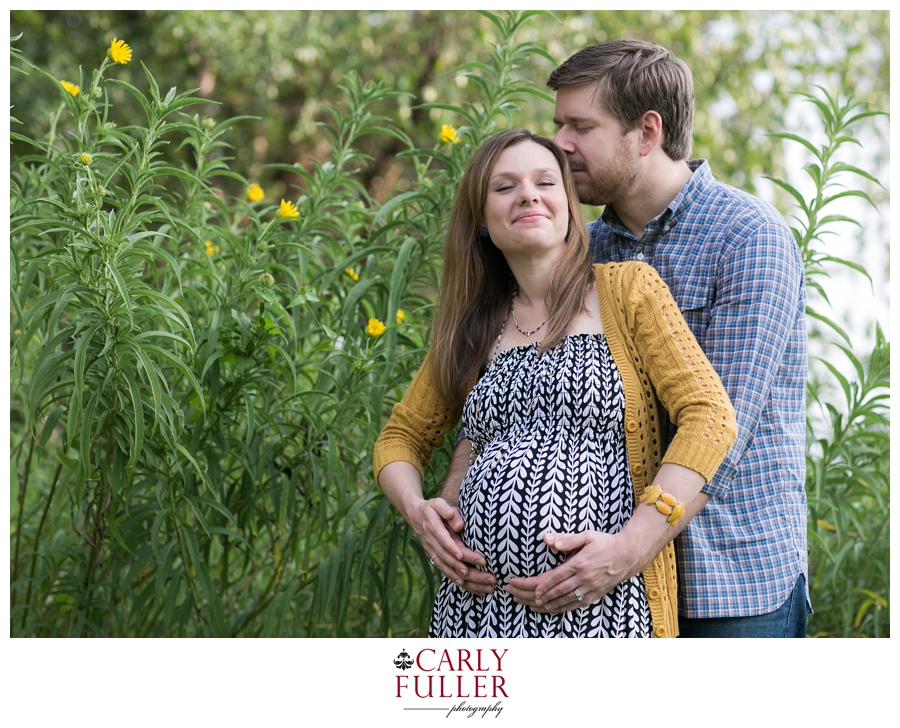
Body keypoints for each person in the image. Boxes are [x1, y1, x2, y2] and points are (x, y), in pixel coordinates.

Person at [427, 40, 810, 638]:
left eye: (581, 126)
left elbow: (720, 430)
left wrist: (625, 553)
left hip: (726, 582)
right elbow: (505, 397)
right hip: (602, 596)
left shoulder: (746, 237)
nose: (561, 145)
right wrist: (460, 501)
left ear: (647, 132)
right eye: (559, 125)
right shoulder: (584, 250)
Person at [374, 128, 736, 637]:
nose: (527, 194)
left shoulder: (629, 291)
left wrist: (631, 545)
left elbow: (711, 416)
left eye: (545, 181)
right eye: (504, 187)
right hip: (475, 611)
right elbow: (400, 439)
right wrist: (419, 512)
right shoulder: (474, 326)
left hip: (609, 603)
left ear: (569, 204)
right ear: (480, 219)